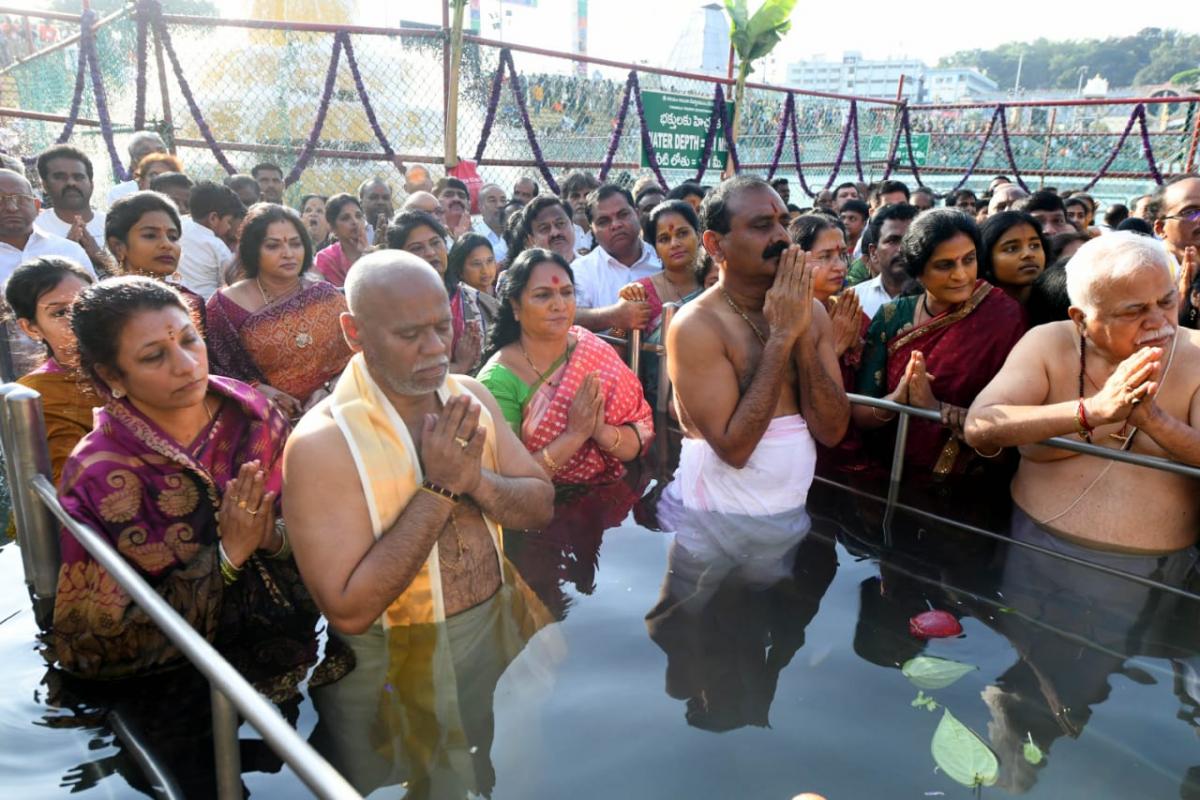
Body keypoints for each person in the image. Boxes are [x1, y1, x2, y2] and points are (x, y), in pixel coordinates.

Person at [53, 277, 323, 681]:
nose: (186, 364)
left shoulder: (252, 414)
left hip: (308, 638)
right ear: (112, 375)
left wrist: (271, 538)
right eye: (153, 356)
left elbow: (322, 526)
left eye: (189, 339)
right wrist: (228, 555)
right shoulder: (100, 473)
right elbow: (94, 646)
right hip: (187, 686)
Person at [281, 250, 555, 636]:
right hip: (392, 672)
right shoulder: (322, 444)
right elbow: (348, 613)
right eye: (409, 334)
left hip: (499, 626)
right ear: (353, 332)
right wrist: (439, 489)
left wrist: (474, 481)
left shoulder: (471, 397)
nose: (435, 348)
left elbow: (541, 507)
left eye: (443, 327)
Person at [965, 232, 1200, 551]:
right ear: (1081, 319)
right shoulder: (1048, 342)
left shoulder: (1196, 353)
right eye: (1134, 311)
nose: (1158, 321)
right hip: (1035, 548)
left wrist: (1155, 421)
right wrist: (1093, 411)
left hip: (1158, 573)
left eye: (1167, 301)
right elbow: (980, 426)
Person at [666, 176, 849, 516]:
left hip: (790, 512)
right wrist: (781, 337)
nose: (781, 237)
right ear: (715, 245)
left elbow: (832, 431)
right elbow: (735, 450)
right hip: (712, 521)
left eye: (784, 223)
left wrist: (801, 334)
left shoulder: (815, 312)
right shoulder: (696, 326)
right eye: (762, 225)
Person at [853, 209, 1025, 477]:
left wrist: (939, 410)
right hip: (892, 470)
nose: (961, 275)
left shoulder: (1005, 316)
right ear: (918, 271)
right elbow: (860, 414)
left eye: (969, 260)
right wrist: (897, 399)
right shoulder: (892, 317)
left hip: (975, 477)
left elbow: (1017, 418)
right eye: (945, 265)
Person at [477, 249, 653, 484]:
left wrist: (600, 431)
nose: (559, 305)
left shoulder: (589, 347)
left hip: (606, 497)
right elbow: (506, 480)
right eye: (543, 295)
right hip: (537, 510)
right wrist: (574, 435)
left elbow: (640, 434)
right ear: (516, 307)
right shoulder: (497, 381)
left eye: (567, 293)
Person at [206, 203, 352, 418]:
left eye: (295, 244)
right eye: (273, 246)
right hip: (260, 421)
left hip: (333, 410)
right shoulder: (225, 306)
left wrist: (329, 389)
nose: (288, 254)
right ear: (253, 250)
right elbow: (215, 371)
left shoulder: (325, 295)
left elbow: (356, 357)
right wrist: (258, 390)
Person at [6, 257, 97, 483]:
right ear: (31, 328)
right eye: (60, 313)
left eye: (88, 304)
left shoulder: (137, 367)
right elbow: (73, 486)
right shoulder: (38, 394)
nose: (81, 319)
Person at [388, 210, 485, 374]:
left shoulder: (475, 300)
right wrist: (460, 367)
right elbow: (405, 372)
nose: (431, 252)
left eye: (435, 243)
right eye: (417, 248)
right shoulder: (396, 310)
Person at [105, 191, 206, 331]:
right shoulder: (105, 308)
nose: (167, 244)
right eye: (150, 235)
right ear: (118, 247)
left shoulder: (190, 302)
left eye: (173, 237)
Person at [570, 184, 662, 332]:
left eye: (623, 214)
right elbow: (568, 317)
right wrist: (614, 315)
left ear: (637, 214)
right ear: (592, 229)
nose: (616, 225)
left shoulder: (661, 259)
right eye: (604, 221)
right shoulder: (581, 270)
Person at [614, 200, 701, 337]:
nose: (675, 244)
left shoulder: (714, 281)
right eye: (664, 239)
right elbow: (617, 350)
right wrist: (621, 321)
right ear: (655, 249)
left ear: (699, 236)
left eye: (682, 233)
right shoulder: (640, 293)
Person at [0, 169, 91, 284]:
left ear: (37, 206)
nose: (11, 207)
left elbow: (94, 299)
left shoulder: (69, 251)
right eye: (0, 199)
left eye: (20, 198)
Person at [34, 145, 110, 275]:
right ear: (45, 185)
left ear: (91, 184)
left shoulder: (112, 224)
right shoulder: (35, 230)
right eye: (60, 177)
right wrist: (67, 252)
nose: (71, 183)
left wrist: (102, 258)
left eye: (78, 177)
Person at [849, 202, 919, 319]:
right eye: (892, 241)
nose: (901, 249)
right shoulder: (853, 300)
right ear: (873, 252)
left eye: (910, 240)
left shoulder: (938, 299)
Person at [177, 181, 243, 300]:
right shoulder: (216, 246)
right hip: (206, 306)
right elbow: (231, 282)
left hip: (175, 298)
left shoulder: (179, 224)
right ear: (213, 218)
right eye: (228, 222)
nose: (228, 227)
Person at [979, 211, 1048, 308]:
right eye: (1012, 248)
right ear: (986, 257)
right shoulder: (974, 314)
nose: (1028, 254)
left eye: (1034, 245)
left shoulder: (1062, 303)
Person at [313, 193, 368, 287]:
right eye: (345, 218)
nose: (355, 221)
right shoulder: (325, 259)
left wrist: (366, 258)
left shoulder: (375, 255)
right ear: (332, 228)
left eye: (358, 216)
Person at [510, 195, 576, 267]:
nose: (555, 233)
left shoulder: (589, 268)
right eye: (544, 228)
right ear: (531, 240)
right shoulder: (524, 276)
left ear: (572, 225)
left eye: (560, 223)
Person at [106, 131, 166, 207]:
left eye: (161, 151)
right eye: (146, 153)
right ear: (134, 163)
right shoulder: (119, 193)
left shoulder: (181, 187)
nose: (155, 156)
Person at [560, 170, 599, 250]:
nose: (582, 201)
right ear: (565, 200)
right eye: (575, 196)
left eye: (587, 195)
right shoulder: (559, 233)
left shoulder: (604, 230)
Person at [472, 183, 508, 264]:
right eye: (492, 201)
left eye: (503, 200)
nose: (500, 205)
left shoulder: (512, 232)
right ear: (480, 207)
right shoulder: (474, 235)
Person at [357, 177, 393, 246]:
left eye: (385, 198)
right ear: (361, 202)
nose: (380, 202)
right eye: (373, 197)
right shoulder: (354, 231)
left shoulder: (399, 229)